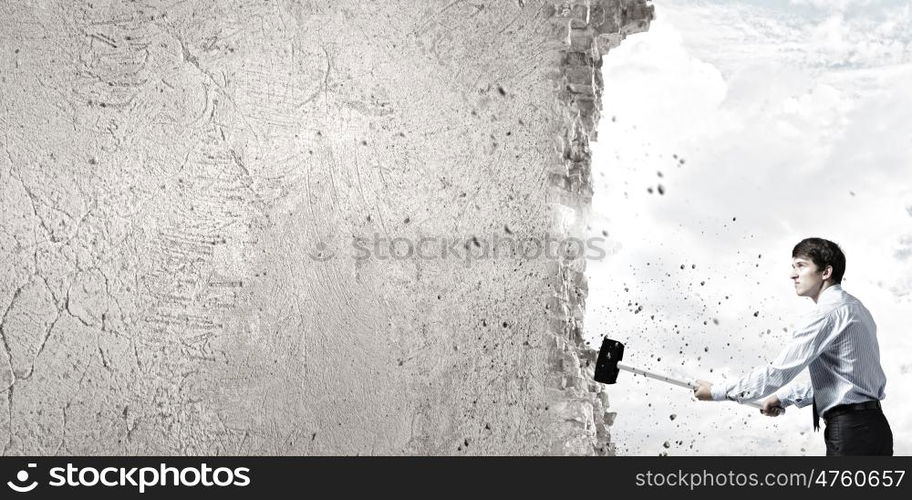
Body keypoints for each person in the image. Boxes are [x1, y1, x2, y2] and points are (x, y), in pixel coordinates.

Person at [693, 237, 892, 456]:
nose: (793, 274)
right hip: (877, 430)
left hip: (850, 434)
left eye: (801, 266)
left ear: (826, 272)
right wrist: (783, 398)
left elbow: (777, 373)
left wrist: (716, 392)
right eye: (793, 266)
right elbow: (847, 382)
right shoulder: (857, 310)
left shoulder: (825, 314)